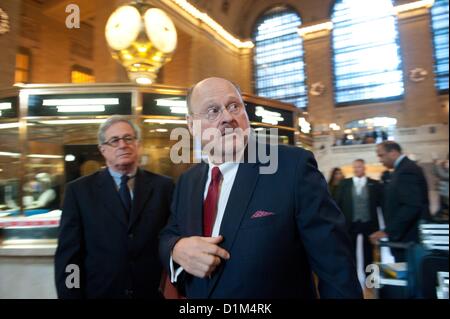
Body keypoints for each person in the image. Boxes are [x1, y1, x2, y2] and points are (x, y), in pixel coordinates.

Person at [159, 77, 362, 299]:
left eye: (234, 106)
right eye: (212, 110)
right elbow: (169, 232)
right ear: (191, 125)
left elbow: (337, 269)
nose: (227, 118)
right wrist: (176, 248)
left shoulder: (291, 168)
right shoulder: (188, 181)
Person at [55, 115, 174, 299]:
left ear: (138, 144)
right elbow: (70, 258)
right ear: (103, 149)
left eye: (128, 138)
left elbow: (172, 239)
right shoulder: (79, 192)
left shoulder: (164, 187)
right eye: (114, 140)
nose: (122, 145)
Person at [370, 141, 430, 261]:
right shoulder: (402, 169)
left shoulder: (406, 170)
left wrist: (387, 231)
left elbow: (411, 206)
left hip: (408, 239)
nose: (380, 160)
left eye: (381, 155)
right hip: (405, 237)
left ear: (393, 153)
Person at [335, 159, 382, 279]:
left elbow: (381, 204)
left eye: (359, 167)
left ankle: (369, 276)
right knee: (349, 250)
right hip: (350, 223)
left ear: (364, 168)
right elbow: (337, 204)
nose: (357, 169)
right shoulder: (345, 184)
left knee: (369, 251)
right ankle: (352, 275)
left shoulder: (375, 184)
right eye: (355, 167)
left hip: (369, 223)